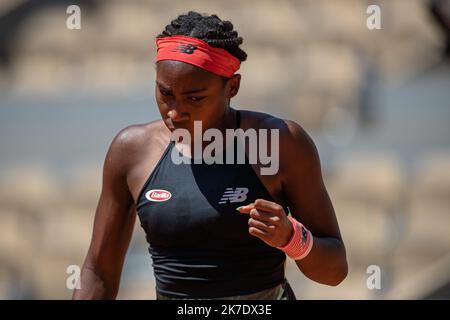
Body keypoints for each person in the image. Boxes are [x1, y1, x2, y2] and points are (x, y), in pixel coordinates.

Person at [72, 11, 348, 300]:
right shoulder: (130, 151)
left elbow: (334, 270)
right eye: (165, 94)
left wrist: (292, 238)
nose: (175, 113)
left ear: (232, 87)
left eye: (195, 98)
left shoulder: (280, 142)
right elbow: (98, 272)